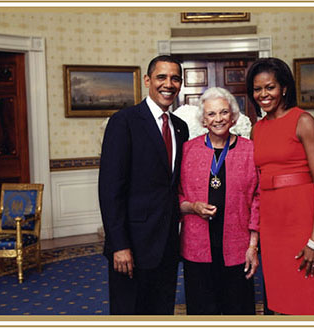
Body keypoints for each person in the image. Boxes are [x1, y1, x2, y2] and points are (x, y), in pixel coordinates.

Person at [98, 55, 189, 315]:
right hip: (132, 246)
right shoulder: (124, 121)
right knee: (130, 312)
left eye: (175, 78)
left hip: (168, 244)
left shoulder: (180, 127)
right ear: (148, 80)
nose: (168, 84)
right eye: (161, 77)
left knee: (161, 311)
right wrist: (119, 245)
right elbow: (110, 190)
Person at [246, 57, 314, 315]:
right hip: (272, 222)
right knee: (279, 296)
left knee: (307, 295)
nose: (263, 94)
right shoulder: (256, 129)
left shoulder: (303, 121)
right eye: (257, 89)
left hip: (303, 217)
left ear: (284, 87)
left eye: (269, 87)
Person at [179, 87, 260, 315]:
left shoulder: (250, 150)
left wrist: (253, 246)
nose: (218, 119)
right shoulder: (188, 150)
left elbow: (258, 199)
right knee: (201, 311)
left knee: (239, 310)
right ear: (203, 119)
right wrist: (192, 207)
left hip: (238, 246)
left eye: (224, 112)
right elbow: (173, 195)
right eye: (211, 114)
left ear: (233, 116)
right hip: (196, 246)